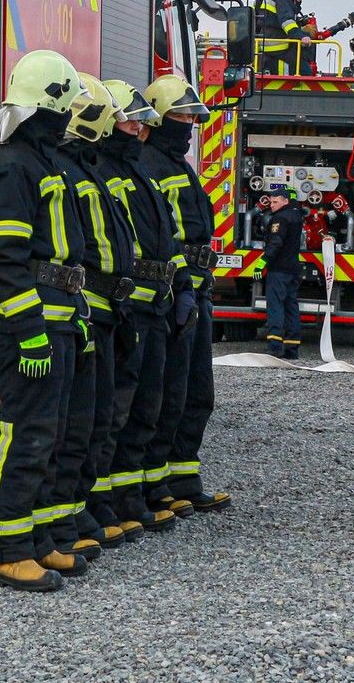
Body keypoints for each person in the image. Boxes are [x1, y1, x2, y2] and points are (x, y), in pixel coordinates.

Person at [0, 50, 92, 592]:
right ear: (48, 104)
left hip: (56, 315)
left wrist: (74, 316)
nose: (70, 117)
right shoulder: (13, 165)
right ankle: (6, 549)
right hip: (30, 321)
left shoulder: (39, 160)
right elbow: (5, 259)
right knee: (23, 433)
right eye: (65, 106)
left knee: (52, 433)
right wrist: (30, 330)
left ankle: (38, 537)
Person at [50, 76, 133, 562]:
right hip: (85, 309)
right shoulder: (68, 171)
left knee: (94, 418)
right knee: (71, 423)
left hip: (102, 309)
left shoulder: (89, 169)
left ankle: (75, 509)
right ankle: (61, 516)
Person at [140, 74, 232, 515]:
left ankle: (182, 477)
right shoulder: (150, 166)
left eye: (193, 116)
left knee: (197, 393)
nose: (190, 124)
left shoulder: (177, 165)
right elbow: (161, 238)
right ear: (159, 118)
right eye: (181, 115)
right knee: (166, 394)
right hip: (178, 290)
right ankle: (154, 485)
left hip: (197, 287)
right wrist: (181, 290)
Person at [96, 82, 180, 538]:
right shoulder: (111, 173)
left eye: (143, 122)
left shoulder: (138, 171)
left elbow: (165, 239)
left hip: (153, 306)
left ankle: (127, 499)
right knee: (115, 412)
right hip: (129, 308)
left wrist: (177, 289)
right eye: (131, 122)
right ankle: (107, 503)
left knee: (144, 406)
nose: (139, 130)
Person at [252, 184, 306, 359]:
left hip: (279, 270)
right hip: (293, 269)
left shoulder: (280, 219)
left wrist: (261, 264)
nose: (271, 205)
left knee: (275, 306)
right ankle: (292, 348)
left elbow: (275, 243)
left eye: (275, 202)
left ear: (285, 201)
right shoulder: (296, 216)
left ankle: (274, 346)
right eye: (271, 202)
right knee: (291, 307)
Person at [254, 0, 313, 75]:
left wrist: (296, 5)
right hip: (276, 44)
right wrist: (302, 36)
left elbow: (279, 16)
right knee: (305, 71)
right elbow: (286, 21)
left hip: (269, 41)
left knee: (303, 54)